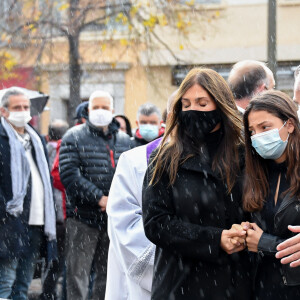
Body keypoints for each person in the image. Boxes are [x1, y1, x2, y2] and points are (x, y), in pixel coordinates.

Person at [142, 68, 252, 300]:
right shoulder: (165, 157)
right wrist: (214, 239)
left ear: (220, 106)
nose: (193, 110)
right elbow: (156, 223)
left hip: (235, 281)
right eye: (187, 103)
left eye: (203, 103)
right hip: (179, 283)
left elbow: (257, 208)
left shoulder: (245, 155)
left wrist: (244, 232)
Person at [59, 90, 131, 300]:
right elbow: (70, 175)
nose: (100, 111)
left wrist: (115, 202)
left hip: (112, 221)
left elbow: (128, 176)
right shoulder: (73, 136)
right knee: (77, 276)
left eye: (105, 108)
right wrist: (100, 199)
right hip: (82, 218)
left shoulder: (125, 140)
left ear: (113, 111)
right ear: (88, 110)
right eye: (96, 107)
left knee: (107, 276)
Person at [105, 91, 176, 300]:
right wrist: (176, 261)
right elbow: (123, 224)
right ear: (170, 118)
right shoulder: (135, 161)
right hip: (145, 284)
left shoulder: (218, 160)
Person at [241, 90, 300, 299]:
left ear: (289, 125)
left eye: (265, 127)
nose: (258, 136)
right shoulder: (252, 173)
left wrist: (265, 243)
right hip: (262, 289)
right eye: (252, 131)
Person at [0, 88, 56, 300]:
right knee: (5, 281)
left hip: (36, 222)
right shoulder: (2, 138)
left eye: (26, 107)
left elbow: (45, 179)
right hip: (8, 224)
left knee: (23, 283)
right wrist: (5, 214)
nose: (23, 112)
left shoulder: (36, 139)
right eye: (17, 108)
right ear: (3, 111)